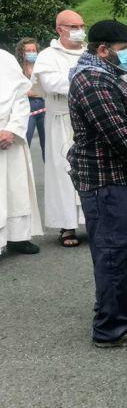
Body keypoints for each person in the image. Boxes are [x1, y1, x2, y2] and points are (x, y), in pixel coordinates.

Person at [67, 20, 127, 348]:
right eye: (124, 50)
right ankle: (111, 328)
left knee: (124, 248)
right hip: (108, 181)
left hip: (121, 178)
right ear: (103, 50)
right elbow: (117, 134)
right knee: (113, 251)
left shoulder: (104, 74)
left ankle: (119, 302)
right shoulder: (92, 81)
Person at [32, 10, 86, 247]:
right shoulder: (47, 56)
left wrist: (76, 78)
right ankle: (67, 226)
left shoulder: (89, 53)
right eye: (73, 26)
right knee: (63, 173)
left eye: (81, 25)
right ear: (59, 29)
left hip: (87, 119)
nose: (78, 30)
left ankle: (93, 221)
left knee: (89, 171)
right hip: (60, 119)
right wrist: (83, 79)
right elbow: (51, 83)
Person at [0, 49, 43, 257]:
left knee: (15, 190)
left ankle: (17, 237)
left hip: (9, 135)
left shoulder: (5, 59)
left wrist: (12, 130)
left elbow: (20, 99)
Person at [15, 38, 45, 160]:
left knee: (47, 145)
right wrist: (37, 92)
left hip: (44, 108)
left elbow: (47, 88)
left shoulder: (41, 67)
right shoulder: (17, 69)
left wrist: (33, 92)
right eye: (28, 50)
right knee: (25, 142)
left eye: (34, 50)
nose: (32, 52)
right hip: (27, 110)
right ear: (22, 52)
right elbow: (19, 91)